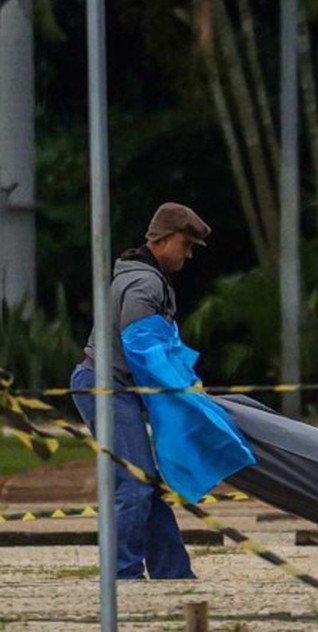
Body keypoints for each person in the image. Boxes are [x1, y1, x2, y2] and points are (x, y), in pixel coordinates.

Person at [70, 202, 211, 580]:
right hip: (106, 386)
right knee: (134, 484)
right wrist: (181, 393)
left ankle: (172, 572)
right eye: (186, 244)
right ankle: (122, 576)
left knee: (144, 483)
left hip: (112, 385)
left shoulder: (145, 278)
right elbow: (143, 349)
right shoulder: (144, 284)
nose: (188, 254)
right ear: (162, 240)